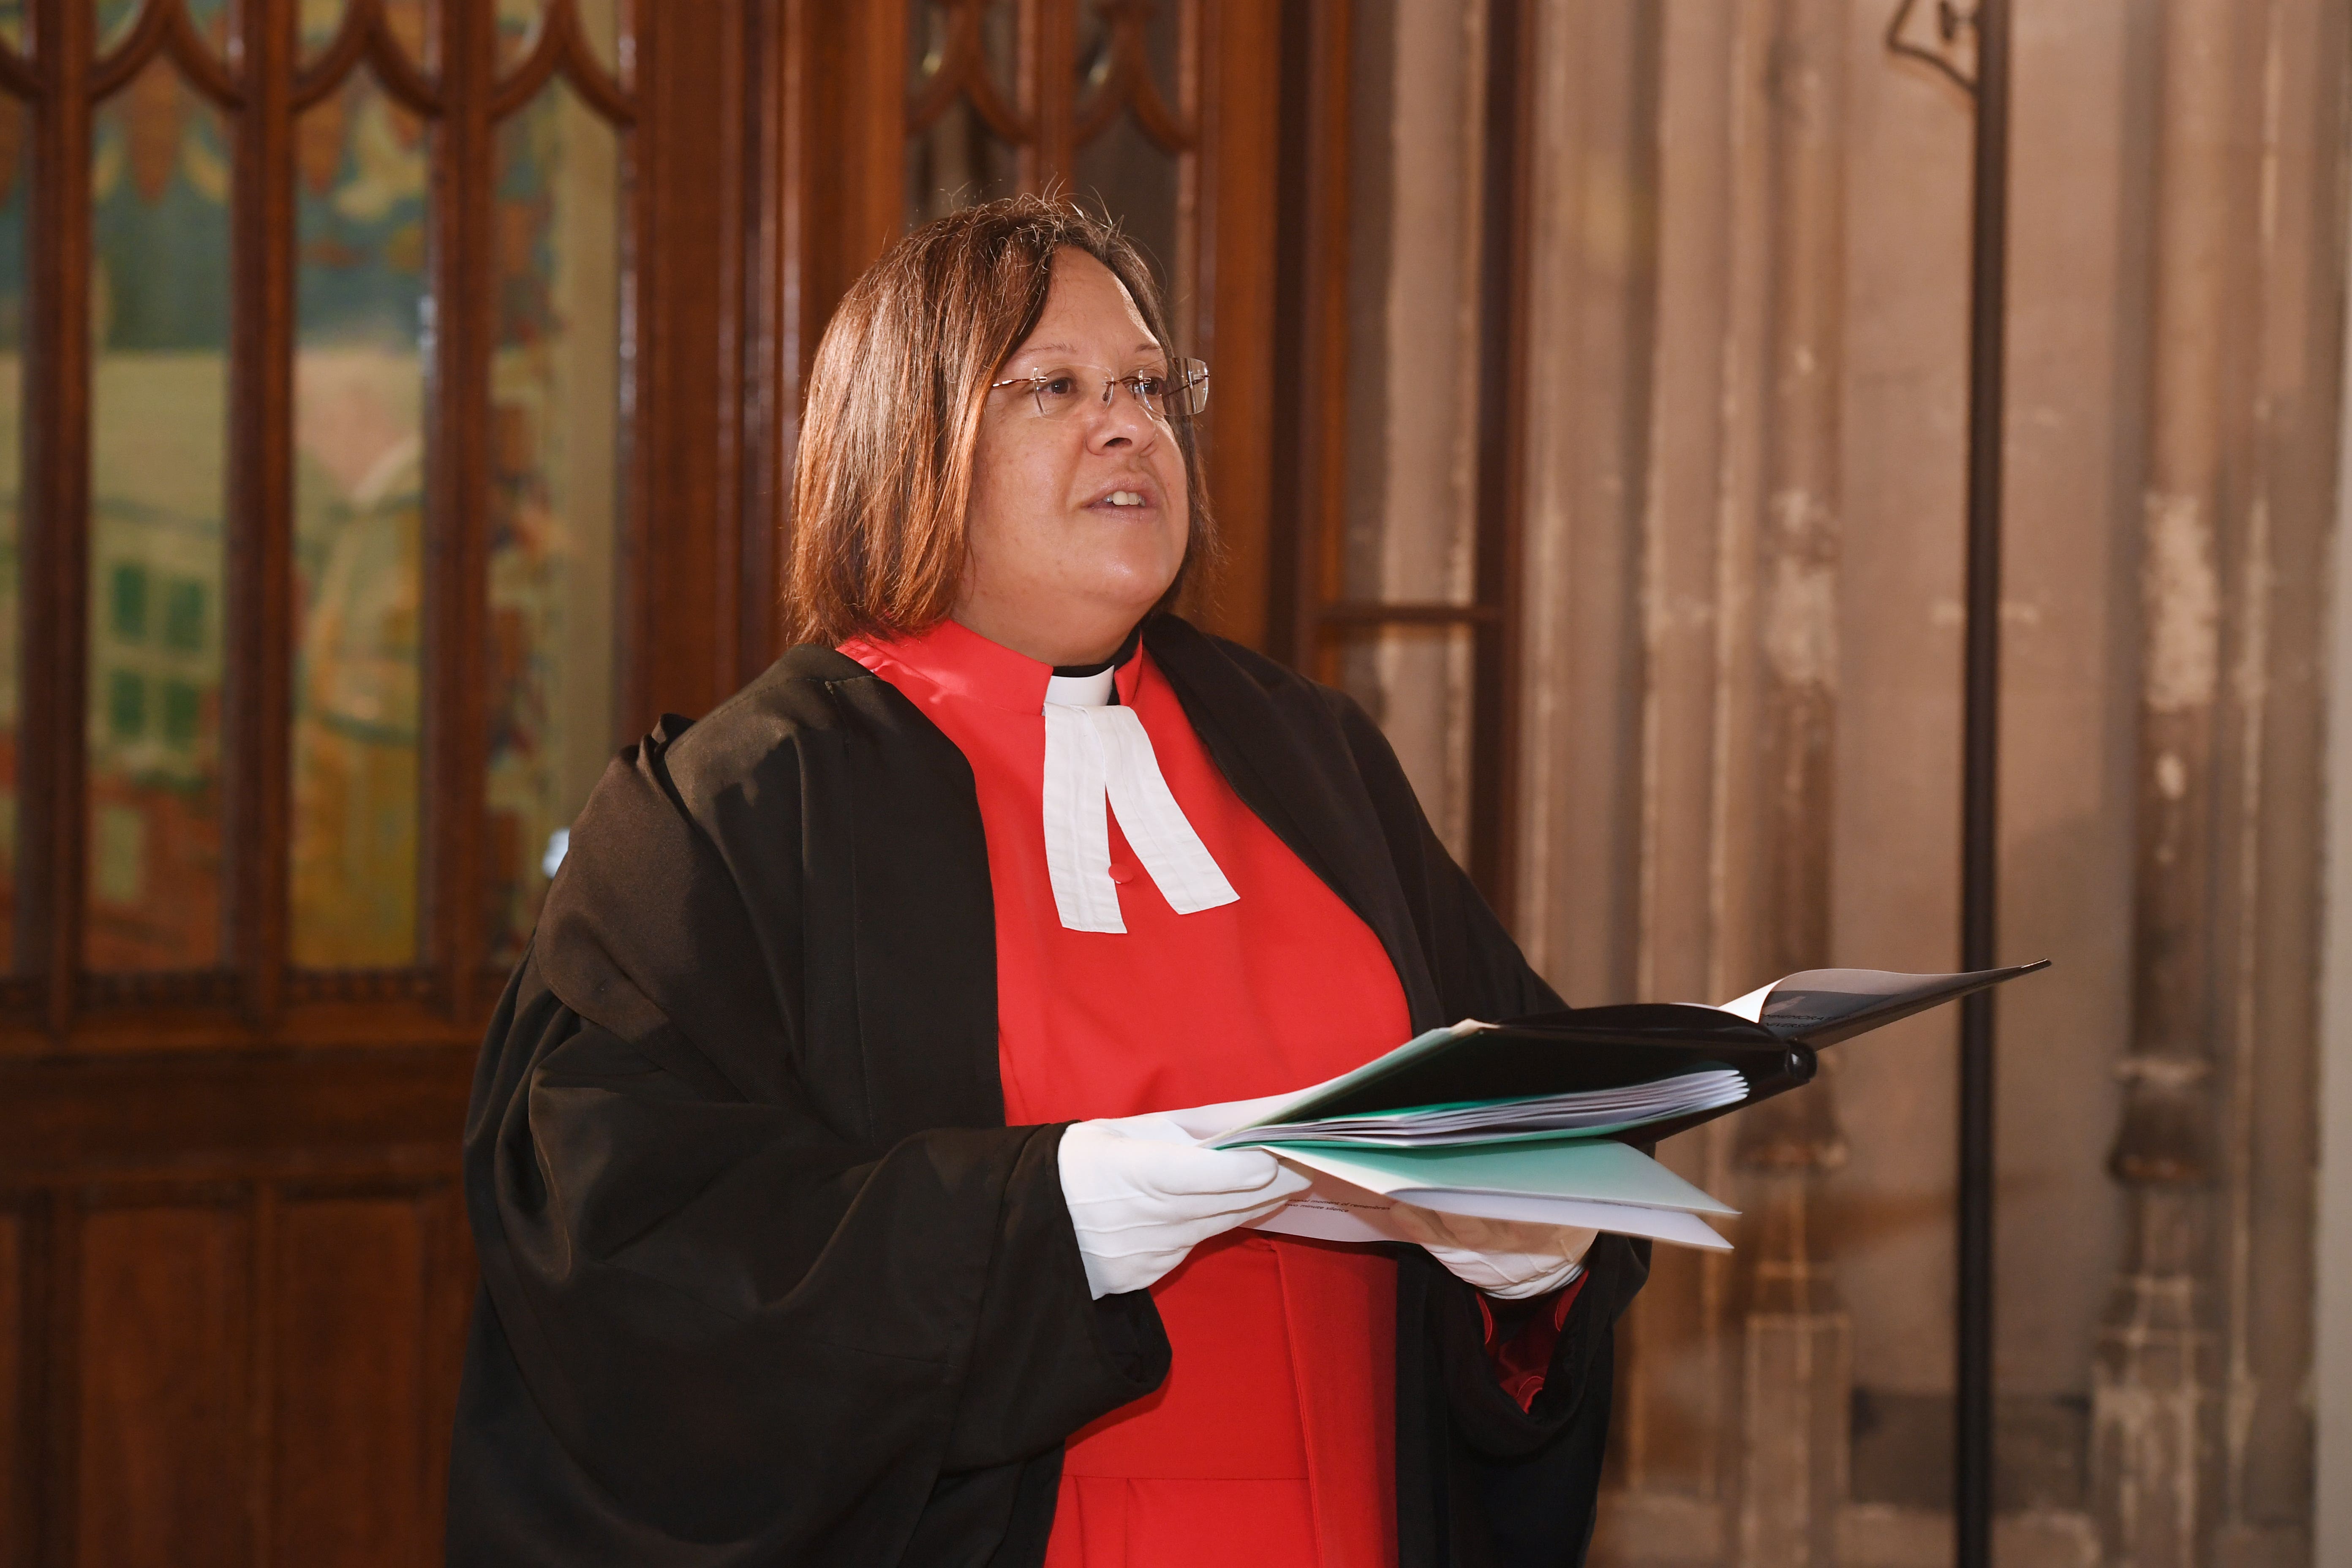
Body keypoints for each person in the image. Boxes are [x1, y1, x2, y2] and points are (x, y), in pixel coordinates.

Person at [447, 194, 1648, 1568]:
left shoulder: (1309, 759)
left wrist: (1533, 1264)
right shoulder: (726, 814)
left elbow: (1527, 1092)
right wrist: (1071, 1210)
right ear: (908, 441)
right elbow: (626, 1257)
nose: (1128, 422)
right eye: (1053, 388)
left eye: (1148, 383)